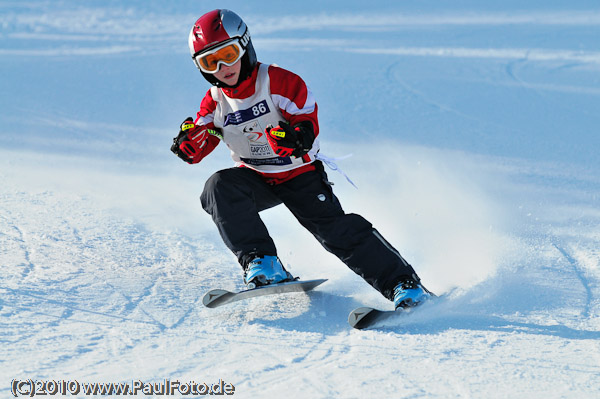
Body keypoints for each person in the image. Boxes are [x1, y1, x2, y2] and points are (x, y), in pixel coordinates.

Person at [171, 9, 433, 309]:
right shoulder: (214, 101)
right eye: (210, 62)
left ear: (245, 46)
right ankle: (264, 263)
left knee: (335, 232)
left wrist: (297, 137)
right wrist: (189, 145)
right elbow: (202, 138)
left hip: (299, 173)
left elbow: (306, 119)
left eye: (228, 54)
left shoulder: (279, 81)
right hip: (255, 177)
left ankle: (404, 284)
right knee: (218, 187)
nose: (222, 67)